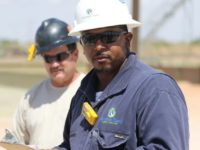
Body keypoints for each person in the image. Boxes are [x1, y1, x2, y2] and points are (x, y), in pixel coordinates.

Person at [54, 0, 189, 149]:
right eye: (89, 39)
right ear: (82, 45)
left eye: (108, 37)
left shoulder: (155, 89)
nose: (98, 46)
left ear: (127, 39)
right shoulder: (82, 93)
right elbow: (69, 145)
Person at [4, 18, 85, 149]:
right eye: (48, 58)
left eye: (60, 56)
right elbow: (15, 142)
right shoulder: (30, 98)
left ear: (75, 55)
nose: (54, 64)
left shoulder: (92, 91)